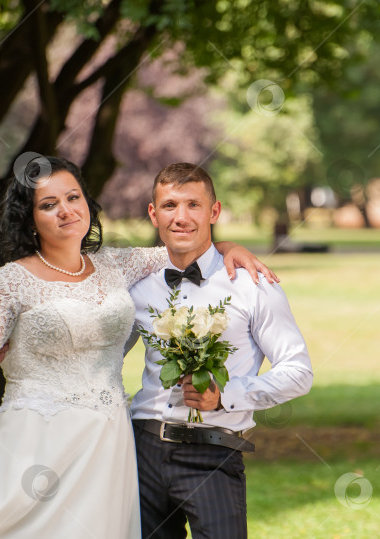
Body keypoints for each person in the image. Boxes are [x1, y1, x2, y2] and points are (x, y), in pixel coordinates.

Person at [0, 156, 275, 538]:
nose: (66, 210)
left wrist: (229, 246)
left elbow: (184, 246)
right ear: (30, 219)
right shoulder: (7, 283)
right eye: (49, 204)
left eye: (73, 197)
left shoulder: (117, 264)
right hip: (37, 441)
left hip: (108, 443)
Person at [128, 163, 313, 538]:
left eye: (194, 205)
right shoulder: (136, 284)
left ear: (214, 212)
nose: (181, 217)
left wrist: (225, 395)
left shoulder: (253, 284)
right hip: (140, 453)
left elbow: (298, 370)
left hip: (213, 453)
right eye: (169, 205)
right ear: (153, 213)